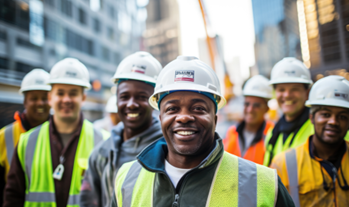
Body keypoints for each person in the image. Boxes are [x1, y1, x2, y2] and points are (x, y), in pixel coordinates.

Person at [113, 56, 295, 206]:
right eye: (172, 109)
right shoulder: (127, 178)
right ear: (160, 118)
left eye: (198, 108)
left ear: (215, 119)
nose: (183, 117)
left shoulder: (264, 184)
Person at [3, 58, 108, 207]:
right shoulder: (27, 142)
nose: (66, 99)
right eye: (60, 93)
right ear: (50, 97)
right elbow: (13, 197)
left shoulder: (103, 141)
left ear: (83, 98)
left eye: (73, 93)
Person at [80, 51, 163, 207]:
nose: (131, 104)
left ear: (155, 101)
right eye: (124, 96)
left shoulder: (168, 151)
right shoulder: (102, 153)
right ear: (116, 99)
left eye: (141, 97)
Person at [271, 75, 349, 207]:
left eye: (342, 116)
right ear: (312, 118)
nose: (333, 122)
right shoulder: (282, 165)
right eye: (325, 114)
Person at [0, 69, 51, 206]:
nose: (40, 103)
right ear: (24, 101)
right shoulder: (4, 136)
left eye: (45, 98)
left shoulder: (62, 135)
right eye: (34, 98)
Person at [263, 57, 314, 166]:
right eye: (281, 89)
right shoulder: (272, 134)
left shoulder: (321, 129)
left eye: (295, 89)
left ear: (307, 93)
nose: (287, 95)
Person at [224, 75, 274, 164]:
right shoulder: (232, 133)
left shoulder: (273, 134)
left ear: (267, 109)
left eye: (256, 105)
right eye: (247, 104)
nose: (250, 110)